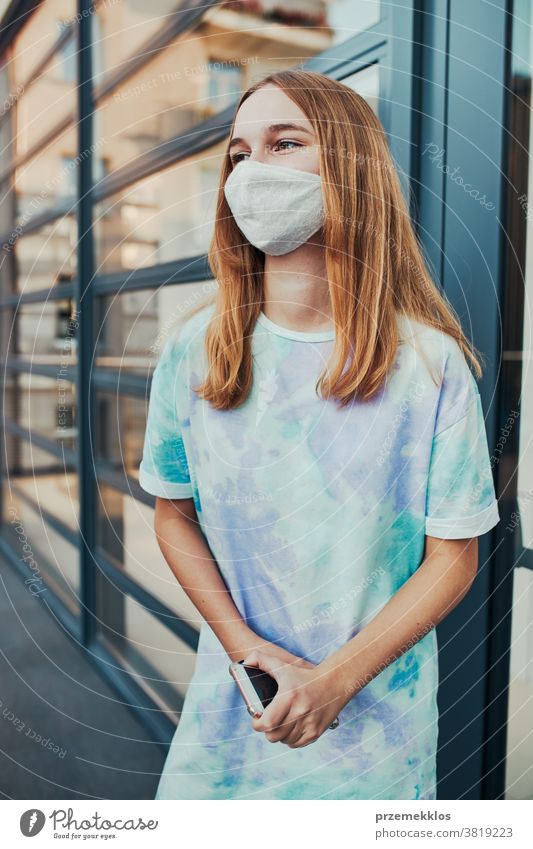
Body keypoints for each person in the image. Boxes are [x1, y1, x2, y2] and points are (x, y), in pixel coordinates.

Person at [138, 69, 500, 800]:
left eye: (284, 142)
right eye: (239, 153)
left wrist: (334, 681)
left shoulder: (429, 365)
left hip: (371, 744)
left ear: (350, 167)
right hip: (231, 719)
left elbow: (451, 557)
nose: (251, 171)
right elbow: (172, 512)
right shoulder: (193, 350)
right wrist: (249, 652)